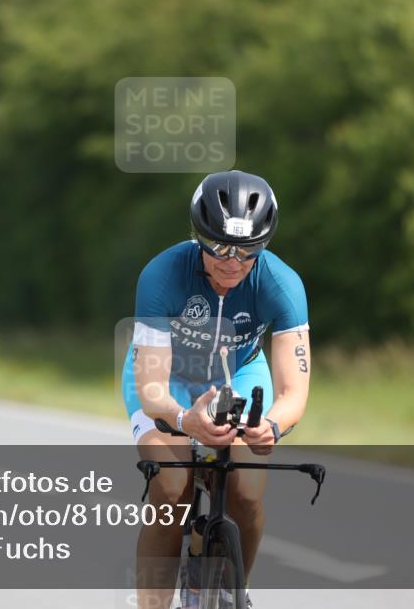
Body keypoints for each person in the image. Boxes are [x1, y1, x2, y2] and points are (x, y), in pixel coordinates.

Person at [123, 171, 311, 609]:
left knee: (246, 490)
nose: (233, 261)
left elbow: (294, 392)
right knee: (171, 488)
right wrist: (186, 421)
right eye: (221, 247)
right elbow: (151, 388)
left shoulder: (282, 284)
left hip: (237, 375)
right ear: (198, 236)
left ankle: (230, 589)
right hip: (168, 381)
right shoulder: (162, 274)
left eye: (248, 251)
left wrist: (273, 426)